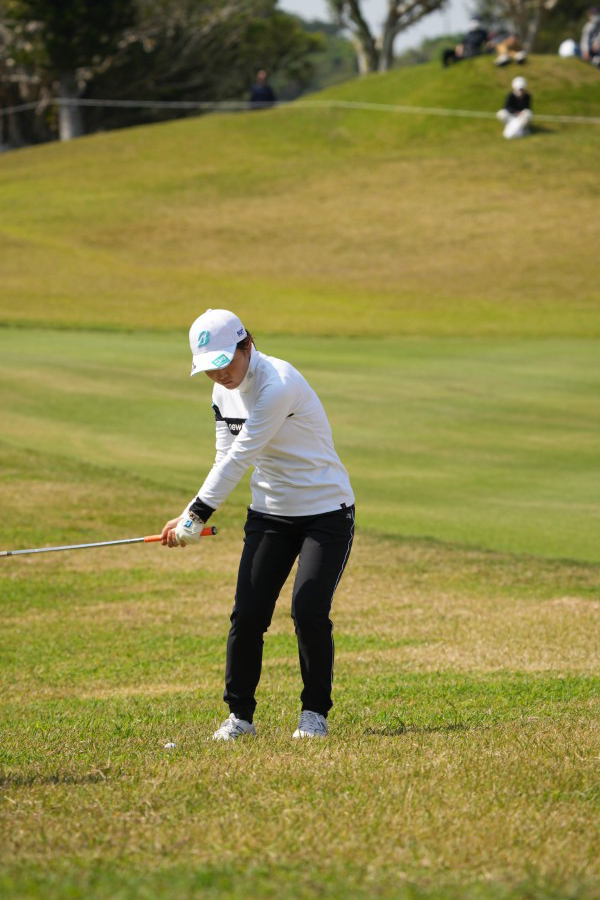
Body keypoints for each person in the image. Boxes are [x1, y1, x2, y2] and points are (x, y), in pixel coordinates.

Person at [161, 309, 355, 742]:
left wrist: (197, 516)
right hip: (270, 514)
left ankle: (314, 715)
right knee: (247, 614)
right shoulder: (222, 391)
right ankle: (240, 718)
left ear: (247, 345)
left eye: (225, 362)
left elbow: (241, 455)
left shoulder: (278, 383)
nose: (219, 375)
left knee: (308, 610)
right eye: (209, 368)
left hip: (326, 511)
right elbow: (222, 456)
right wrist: (188, 511)